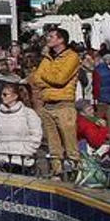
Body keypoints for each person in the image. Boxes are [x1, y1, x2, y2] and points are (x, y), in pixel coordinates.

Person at [30, 27, 80, 177]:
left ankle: (75, 171)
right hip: (48, 105)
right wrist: (48, 79)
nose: (48, 39)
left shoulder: (72, 57)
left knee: (70, 144)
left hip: (64, 105)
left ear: (61, 39)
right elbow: (35, 79)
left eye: (51, 36)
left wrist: (45, 77)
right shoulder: (47, 58)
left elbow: (60, 79)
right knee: (53, 145)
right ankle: (57, 172)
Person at [0, 82, 43, 174]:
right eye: (1, 94)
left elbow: (36, 134)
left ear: (15, 96)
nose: (2, 97)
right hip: (3, 162)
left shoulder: (28, 113)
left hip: (23, 162)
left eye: (5, 94)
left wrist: (27, 151)